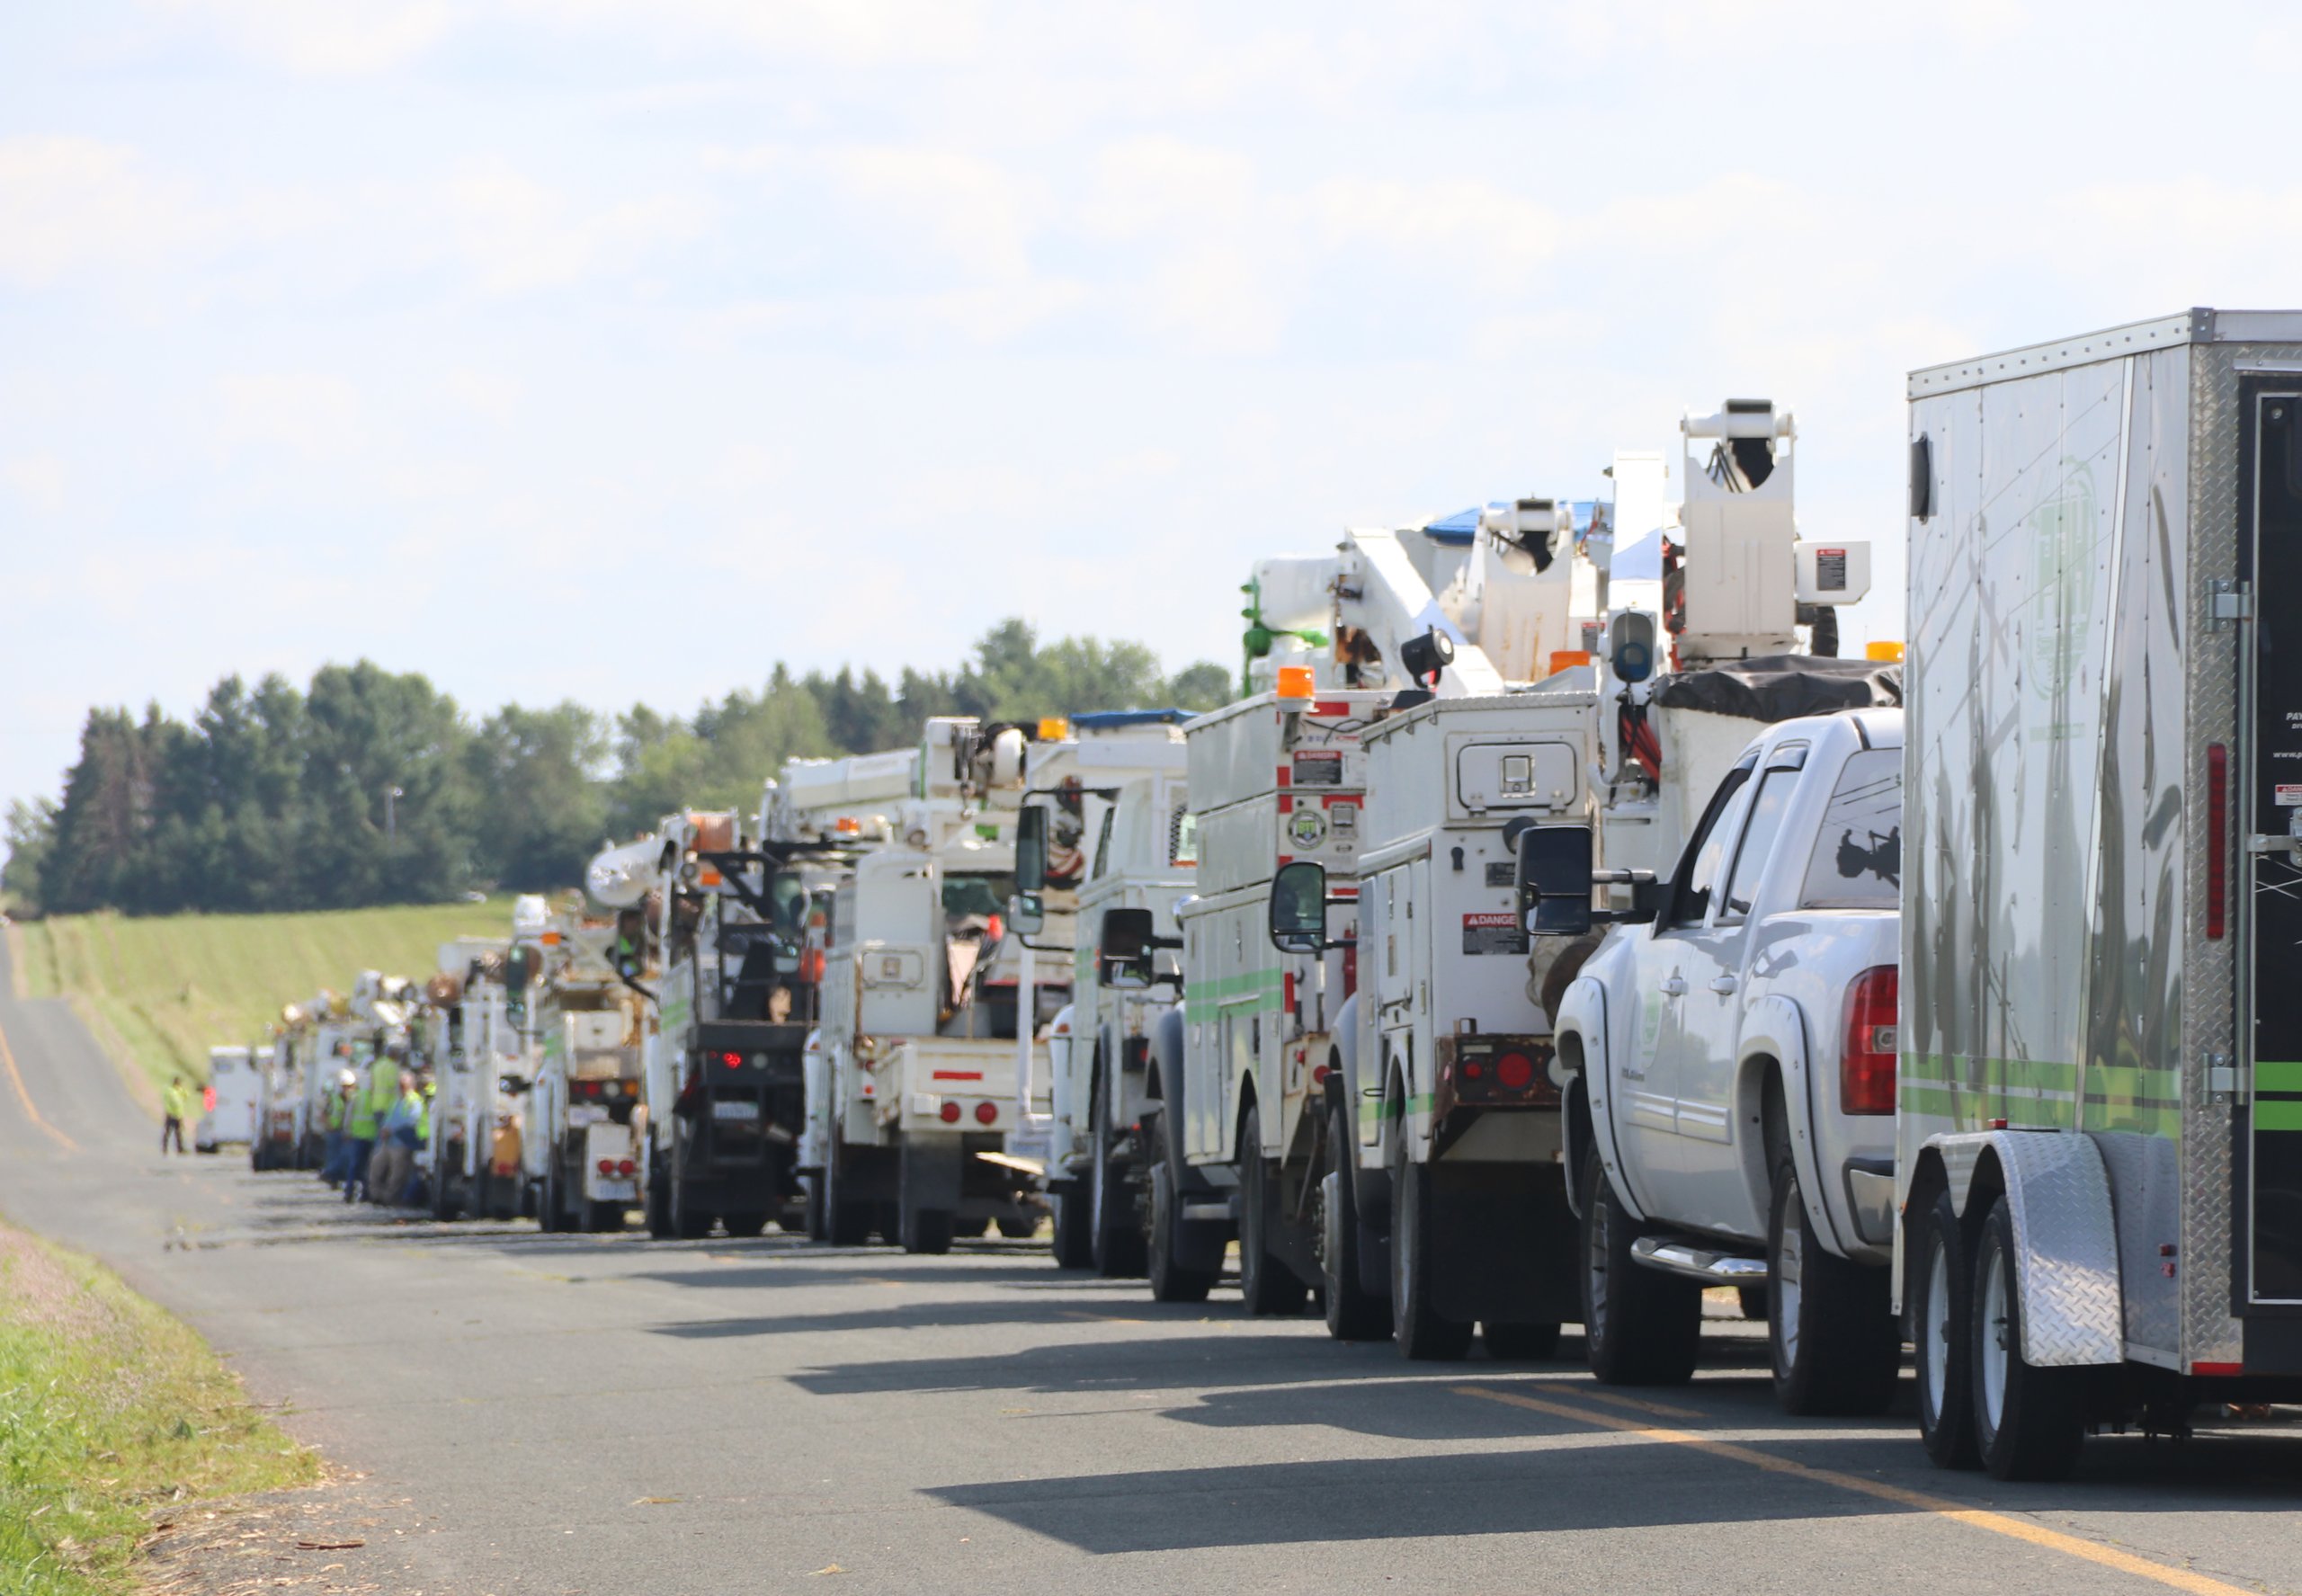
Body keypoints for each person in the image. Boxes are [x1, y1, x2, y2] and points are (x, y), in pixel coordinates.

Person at [373, 1071, 424, 1205]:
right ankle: (377, 1196)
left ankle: (390, 1200)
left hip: (401, 1143)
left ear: (411, 1085)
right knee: (376, 1169)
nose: (401, 1087)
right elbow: (389, 1117)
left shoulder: (414, 1101)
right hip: (387, 1142)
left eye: (404, 1085)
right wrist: (384, 1128)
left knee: (396, 1175)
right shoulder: (396, 1101)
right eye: (400, 1085)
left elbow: (412, 1120)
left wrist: (392, 1129)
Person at [343, 1065, 379, 1204]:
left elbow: (348, 1116)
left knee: (355, 1166)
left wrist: (346, 1131)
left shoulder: (357, 1097)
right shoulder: (376, 1098)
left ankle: (349, 1192)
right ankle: (365, 1194)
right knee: (368, 1167)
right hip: (372, 1137)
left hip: (358, 1136)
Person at [319, 1071, 356, 1188]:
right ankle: (332, 1179)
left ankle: (338, 1177)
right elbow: (324, 1113)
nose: (347, 1089)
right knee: (332, 1156)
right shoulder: (335, 1099)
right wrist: (328, 1125)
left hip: (347, 1132)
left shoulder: (356, 1099)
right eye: (345, 1086)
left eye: (349, 1086)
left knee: (344, 1157)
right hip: (334, 1131)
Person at [161, 1075, 191, 1155]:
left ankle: (180, 1148)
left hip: (179, 1115)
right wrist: (169, 1112)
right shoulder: (170, 1091)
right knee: (168, 1132)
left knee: (179, 1133)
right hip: (171, 1115)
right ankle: (164, 1148)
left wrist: (183, 1089)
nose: (179, 1084)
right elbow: (167, 1102)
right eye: (178, 1082)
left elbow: (186, 1095)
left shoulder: (179, 1090)